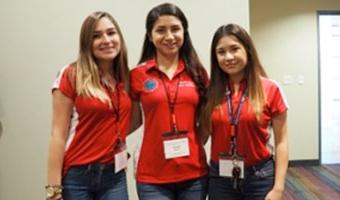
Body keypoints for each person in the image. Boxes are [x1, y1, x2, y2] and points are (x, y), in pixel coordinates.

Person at [46, 11, 132, 200]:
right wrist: (53, 189)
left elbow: (127, 120)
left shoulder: (124, 78)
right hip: (78, 176)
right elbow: (58, 134)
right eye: (96, 36)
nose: (106, 40)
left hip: (114, 175)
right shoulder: (71, 75)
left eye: (111, 33)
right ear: (86, 43)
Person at [199, 24, 288, 200]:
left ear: (247, 50)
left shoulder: (270, 89)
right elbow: (202, 135)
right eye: (221, 52)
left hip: (260, 176)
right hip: (220, 178)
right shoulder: (210, 91)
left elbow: (281, 143)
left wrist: (279, 187)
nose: (228, 57)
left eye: (234, 49)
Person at [130, 3, 209, 200]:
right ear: (150, 35)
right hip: (152, 175)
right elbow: (131, 120)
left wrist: (195, 143)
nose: (169, 36)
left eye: (175, 29)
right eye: (161, 30)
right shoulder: (138, 75)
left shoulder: (198, 73)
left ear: (184, 31)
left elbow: (206, 119)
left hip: (194, 173)